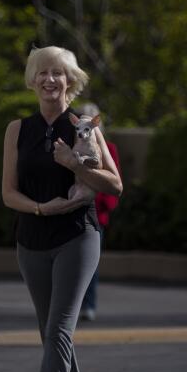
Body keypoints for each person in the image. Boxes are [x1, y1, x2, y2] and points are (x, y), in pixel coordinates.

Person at [2, 46, 123, 372]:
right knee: (53, 337)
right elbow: (8, 194)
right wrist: (39, 207)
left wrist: (75, 163)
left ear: (70, 80)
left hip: (77, 235)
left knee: (58, 332)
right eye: (43, 73)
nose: (50, 80)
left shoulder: (85, 126)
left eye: (58, 73)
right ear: (32, 80)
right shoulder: (17, 130)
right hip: (31, 241)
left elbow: (115, 185)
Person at [76, 103, 121, 322]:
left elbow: (113, 182)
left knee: (90, 264)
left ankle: (89, 304)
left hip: (96, 215)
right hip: (73, 209)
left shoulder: (109, 148)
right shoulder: (74, 146)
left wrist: (102, 206)